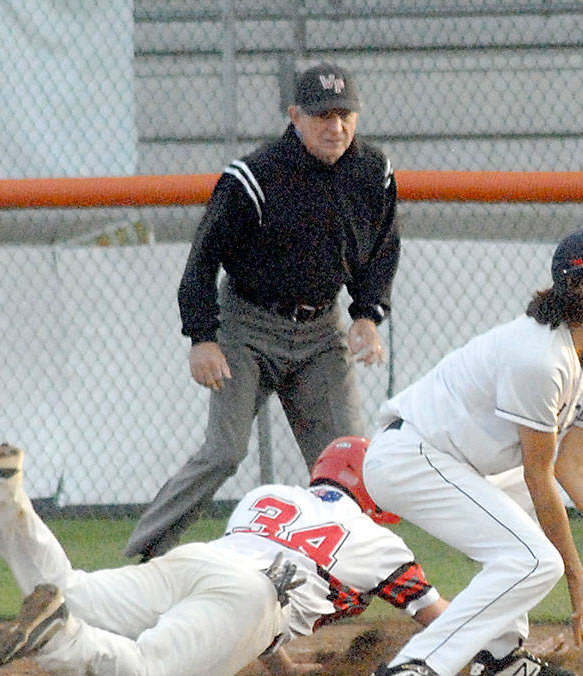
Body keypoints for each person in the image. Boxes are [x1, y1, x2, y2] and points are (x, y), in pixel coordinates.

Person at [0, 437, 469, 676]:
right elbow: (447, 624)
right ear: (374, 491)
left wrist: (283, 670)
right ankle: (59, 638)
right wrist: (511, 651)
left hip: (196, 562)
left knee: (70, 589)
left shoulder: (269, 495)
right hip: (250, 597)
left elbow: (262, 578)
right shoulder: (381, 542)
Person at [360, 225, 583, 676]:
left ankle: (498, 657)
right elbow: (541, 476)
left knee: (524, 542)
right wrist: (575, 575)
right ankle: (409, 669)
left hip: (466, 460)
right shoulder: (538, 357)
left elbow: (573, 465)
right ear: (579, 284)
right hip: (411, 456)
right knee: (533, 559)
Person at [126, 61, 400, 562]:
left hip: (321, 331)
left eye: (344, 114)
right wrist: (201, 336)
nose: (334, 126)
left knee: (349, 464)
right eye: (321, 115)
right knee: (224, 452)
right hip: (247, 327)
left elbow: (382, 248)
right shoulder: (254, 175)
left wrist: (367, 313)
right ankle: (143, 555)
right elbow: (202, 259)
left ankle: (347, 573)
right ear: (295, 116)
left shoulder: (372, 171)